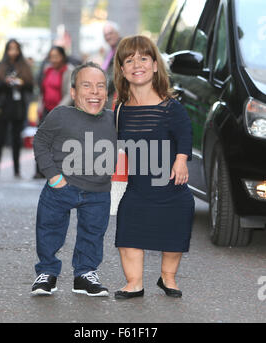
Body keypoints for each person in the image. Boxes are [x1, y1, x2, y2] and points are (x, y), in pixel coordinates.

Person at [113, 35, 195, 299]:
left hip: (171, 188)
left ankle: (168, 278)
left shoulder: (171, 107)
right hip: (137, 189)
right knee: (128, 234)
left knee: (174, 234)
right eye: (129, 59)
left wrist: (181, 159)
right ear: (123, 70)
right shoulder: (120, 110)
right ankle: (134, 283)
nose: (137, 64)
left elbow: (185, 134)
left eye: (144, 58)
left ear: (156, 65)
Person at [31, 61, 117, 296]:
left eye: (101, 86)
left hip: (98, 191)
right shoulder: (60, 115)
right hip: (60, 187)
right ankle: (47, 272)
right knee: (49, 228)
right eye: (86, 85)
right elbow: (40, 141)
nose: (94, 92)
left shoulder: (113, 119)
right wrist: (52, 174)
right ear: (73, 92)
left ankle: (84, 274)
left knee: (93, 233)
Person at [0, 39, 33, 178]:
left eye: (15, 48)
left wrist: (20, 83)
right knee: (0, 138)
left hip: (18, 107)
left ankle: (16, 169)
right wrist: (5, 82)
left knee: (16, 139)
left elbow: (31, 87)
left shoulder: (24, 66)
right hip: (3, 106)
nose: (13, 52)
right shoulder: (0, 66)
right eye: (10, 48)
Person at [33, 46, 75, 179]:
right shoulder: (47, 70)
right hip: (46, 109)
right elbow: (42, 91)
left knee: (60, 142)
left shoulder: (69, 70)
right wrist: (40, 106)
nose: (54, 59)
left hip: (61, 111)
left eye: (57, 56)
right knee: (41, 140)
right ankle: (40, 170)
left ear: (63, 57)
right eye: (51, 57)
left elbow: (70, 93)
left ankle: (61, 170)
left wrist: (59, 109)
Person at [102, 21, 121, 109]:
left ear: (117, 33)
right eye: (105, 35)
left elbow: (116, 75)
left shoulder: (122, 47)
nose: (108, 37)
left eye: (110, 33)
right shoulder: (109, 51)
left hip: (117, 94)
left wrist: (101, 89)